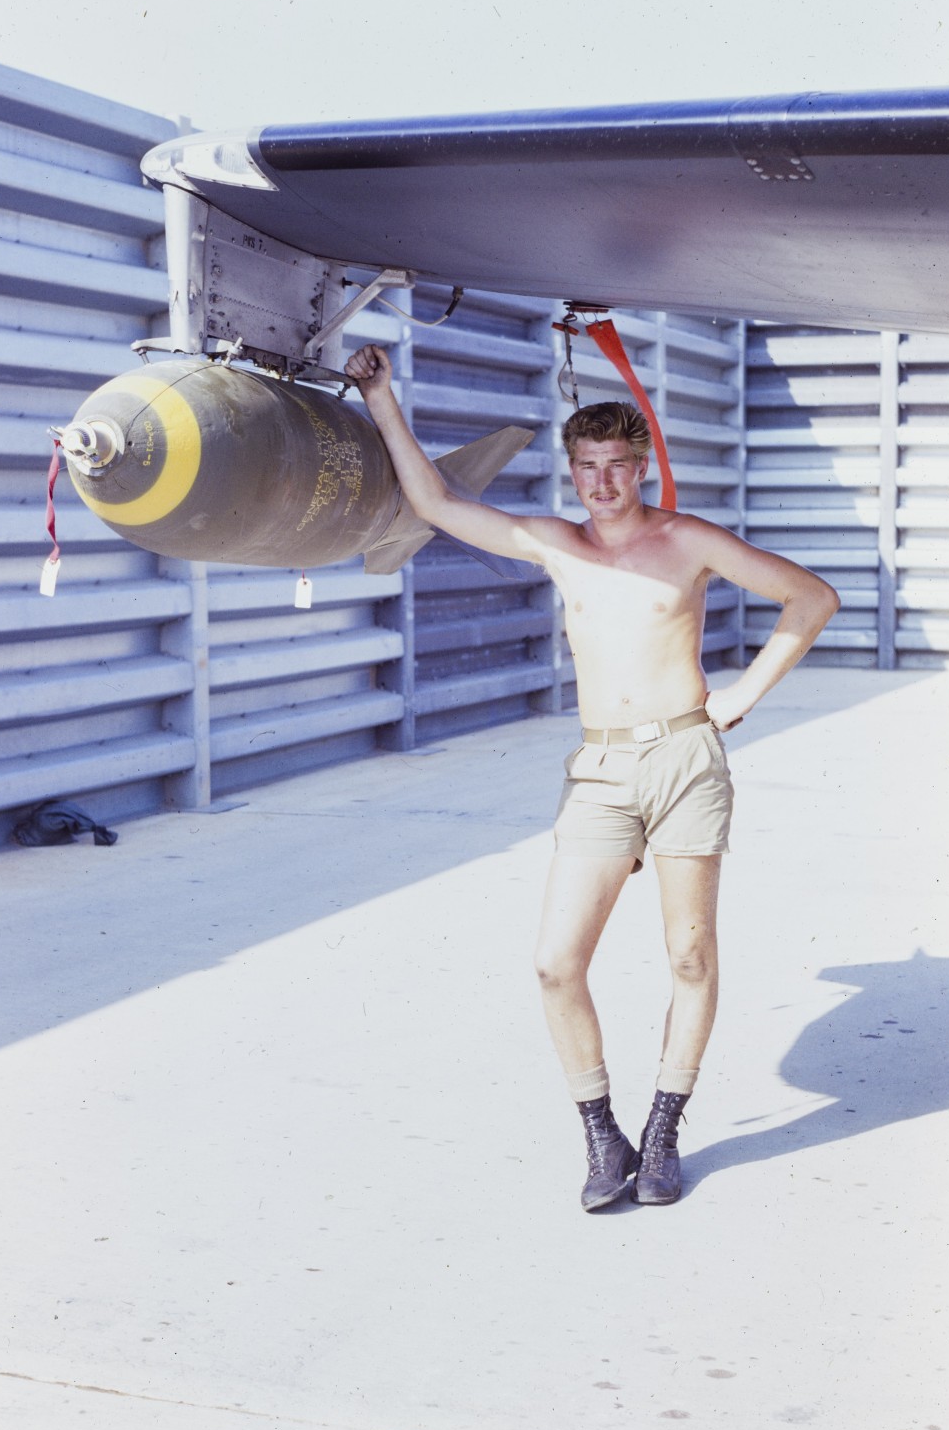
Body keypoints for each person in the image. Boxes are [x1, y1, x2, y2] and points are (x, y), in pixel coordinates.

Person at [345, 343, 840, 1212]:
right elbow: (433, 501)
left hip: (685, 759)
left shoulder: (685, 540)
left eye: (618, 465)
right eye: (588, 467)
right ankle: (601, 1134)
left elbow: (811, 598)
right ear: (572, 471)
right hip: (603, 770)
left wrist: (742, 696)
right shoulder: (559, 545)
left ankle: (662, 1132)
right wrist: (383, 397)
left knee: (689, 952)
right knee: (554, 963)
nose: (604, 482)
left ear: (641, 465)